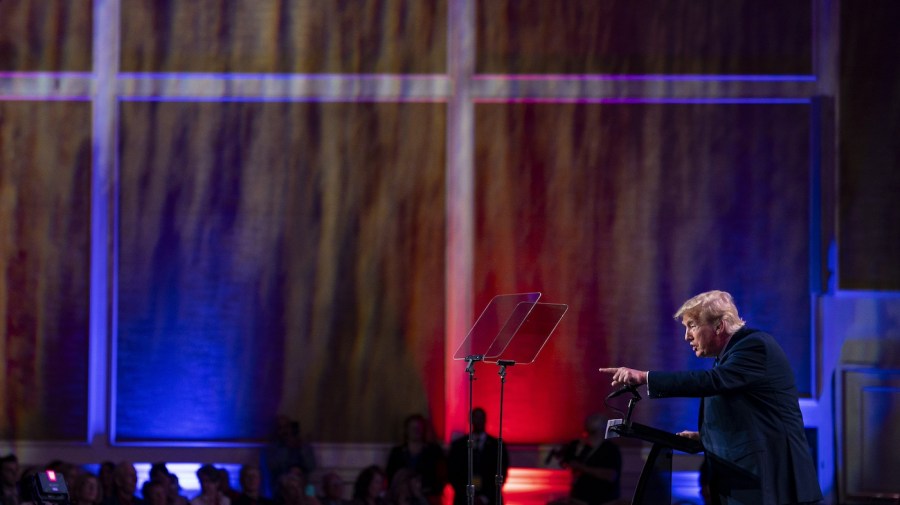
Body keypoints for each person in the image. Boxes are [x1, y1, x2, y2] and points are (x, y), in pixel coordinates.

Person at [598, 290, 822, 505]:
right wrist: (706, 436)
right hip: (749, 479)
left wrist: (646, 377)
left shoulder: (754, 346)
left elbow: (711, 381)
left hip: (770, 480)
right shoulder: (730, 356)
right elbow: (751, 416)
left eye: (692, 326)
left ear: (719, 326)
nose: (687, 336)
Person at [547, 413, 621, 505]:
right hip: (579, 499)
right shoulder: (578, 446)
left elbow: (611, 475)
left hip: (604, 500)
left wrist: (581, 467)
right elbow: (567, 463)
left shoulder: (610, 449)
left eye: (593, 432)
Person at [447, 408, 509, 505]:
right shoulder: (458, 445)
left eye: (481, 418)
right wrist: (467, 495)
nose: (478, 421)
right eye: (476, 417)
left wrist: (484, 498)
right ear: (470, 420)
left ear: (485, 420)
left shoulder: (497, 446)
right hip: (463, 500)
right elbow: (453, 472)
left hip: (490, 499)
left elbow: (502, 472)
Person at [385, 415, 446, 505]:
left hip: (428, 495)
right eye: (412, 428)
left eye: (418, 427)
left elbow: (441, 474)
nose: (416, 431)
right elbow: (391, 474)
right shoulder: (397, 452)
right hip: (402, 496)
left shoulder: (434, 451)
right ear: (406, 430)